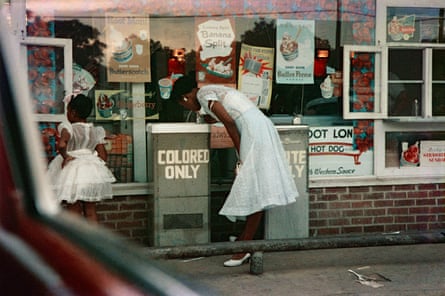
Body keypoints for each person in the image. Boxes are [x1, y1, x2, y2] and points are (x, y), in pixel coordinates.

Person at [171, 75, 299, 267]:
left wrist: (241, 154)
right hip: (258, 127)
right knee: (256, 188)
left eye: (183, 105)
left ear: (185, 98)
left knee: (254, 187)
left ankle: (244, 247)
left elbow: (229, 122)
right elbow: (225, 113)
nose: (187, 108)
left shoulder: (205, 94)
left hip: (253, 132)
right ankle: (243, 241)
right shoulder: (210, 92)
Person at [47, 93, 116, 222]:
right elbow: (103, 155)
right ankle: (93, 238)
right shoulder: (95, 131)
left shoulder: (68, 128)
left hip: (71, 173)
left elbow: (62, 144)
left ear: (72, 113)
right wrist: (91, 160)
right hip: (90, 173)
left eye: (67, 111)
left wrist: (66, 156)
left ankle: (75, 240)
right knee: (90, 210)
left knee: (73, 207)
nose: (67, 114)